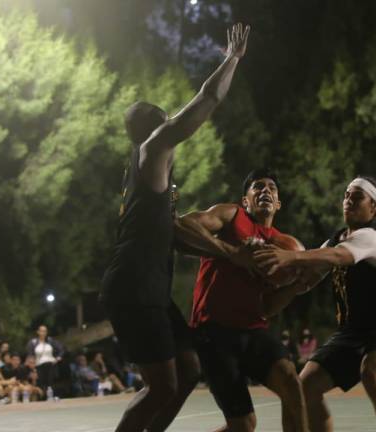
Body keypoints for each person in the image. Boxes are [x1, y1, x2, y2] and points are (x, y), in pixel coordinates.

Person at [99, 22, 250, 432]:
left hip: (149, 288)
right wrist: (231, 59)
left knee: (188, 371)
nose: (175, 135)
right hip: (134, 287)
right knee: (162, 385)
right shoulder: (151, 150)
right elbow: (208, 98)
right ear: (158, 129)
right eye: (168, 124)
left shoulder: (149, 185)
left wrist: (230, 254)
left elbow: (178, 238)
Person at [254, 177, 376, 432]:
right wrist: (284, 287)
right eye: (347, 194)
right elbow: (310, 277)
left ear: (374, 206)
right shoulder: (336, 239)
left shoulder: (372, 238)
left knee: (372, 374)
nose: (349, 200)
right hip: (351, 332)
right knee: (304, 387)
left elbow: (340, 255)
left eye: (357, 196)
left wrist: (291, 256)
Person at [175, 169, 307, 431]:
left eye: (271, 188)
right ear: (246, 200)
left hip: (253, 331)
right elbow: (182, 225)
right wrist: (233, 253)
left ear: (278, 203)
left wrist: (296, 286)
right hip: (213, 332)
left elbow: (268, 308)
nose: (265, 190)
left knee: (292, 384)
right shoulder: (231, 215)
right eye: (257, 187)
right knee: (244, 425)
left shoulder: (285, 246)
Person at [25, 325, 63, 397]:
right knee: (41, 384)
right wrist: (32, 368)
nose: (43, 333)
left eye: (45, 331)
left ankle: (51, 398)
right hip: (38, 366)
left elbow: (61, 349)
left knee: (50, 384)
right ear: (38, 332)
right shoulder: (33, 342)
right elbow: (30, 355)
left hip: (50, 364)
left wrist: (58, 358)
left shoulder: (50, 340)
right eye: (41, 331)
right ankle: (42, 399)